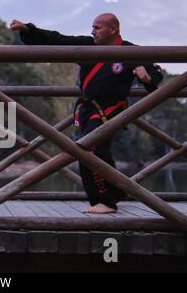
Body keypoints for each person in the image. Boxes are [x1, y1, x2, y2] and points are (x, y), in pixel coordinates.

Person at [10, 13, 163, 213]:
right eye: (92, 27)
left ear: (113, 29)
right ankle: (116, 191)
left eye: (97, 27)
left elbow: (156, 74)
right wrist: (28, 30)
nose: (93, 31)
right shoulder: (87, 45)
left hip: (111, 109)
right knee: (98, 152)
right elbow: (58, 40)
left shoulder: (130, 52)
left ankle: (106, 202)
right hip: (86, 109)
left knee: (89, 151)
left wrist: (146, 77)